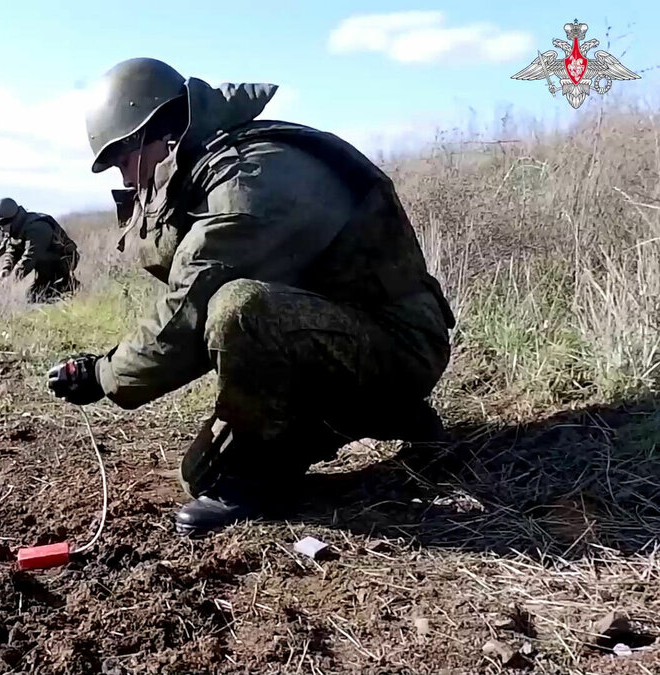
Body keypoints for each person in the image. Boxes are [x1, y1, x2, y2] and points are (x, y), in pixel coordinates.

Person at [46, 58, 455, 535]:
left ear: (158, 134)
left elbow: (190, 306)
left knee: (237, 309)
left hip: (402, 343)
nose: (126, 181)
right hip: (344, 337)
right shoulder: (208, 170)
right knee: (201, 476)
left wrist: (104, 373)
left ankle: (269, 478)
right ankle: (388, 413)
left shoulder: (248, 179)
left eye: (123, 160)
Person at [0, 197, 81, 303]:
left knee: (42, 297)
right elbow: (12, 250)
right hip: (46, 265)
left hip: (63, 261)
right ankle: (67, 287)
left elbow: (31, 256)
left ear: (10, 219)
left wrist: (12, 278)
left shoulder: (37, 228)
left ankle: (71, 287)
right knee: (33, 297)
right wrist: (6, 269)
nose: (1, 228)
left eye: (2, 224)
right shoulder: (16, 228)